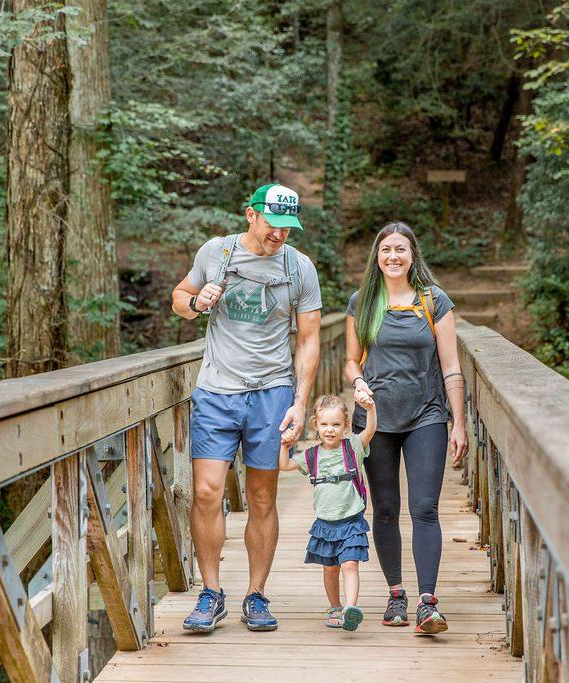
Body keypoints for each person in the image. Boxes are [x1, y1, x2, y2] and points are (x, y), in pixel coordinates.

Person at [171, 183, 322, 633]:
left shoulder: (299, 268)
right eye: (273, 224)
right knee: (205, 492)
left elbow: (310, 339)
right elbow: (180, 298)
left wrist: (300, 402)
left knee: (261, 497)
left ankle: (256, 594)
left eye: (288, 227)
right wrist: (197, 303)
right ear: (250, 214)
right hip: (217, 389)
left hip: (271, 391)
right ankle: (211, 592)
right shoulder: (216, 253)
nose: (280, 234)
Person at [343, 221, 467, 635]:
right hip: (376, 419)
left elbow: (451, 367)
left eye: (400, 249)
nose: (393, 256)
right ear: (376, 257)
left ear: (413, 255)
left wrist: (459, 422)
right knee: (385, 508)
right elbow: (350, 360)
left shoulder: (435, 301)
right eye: (385, 249)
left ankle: (427, 603)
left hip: (426, 415)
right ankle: (396, 593)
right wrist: (358, 382)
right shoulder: (362, 302)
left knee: (425, 507)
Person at [278, 394, 377, 631]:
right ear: (316, 425)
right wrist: (285, 446)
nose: (330, 430)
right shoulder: (311, 455)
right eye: (324, 424)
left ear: (345, 426)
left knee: (350, 565)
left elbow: (371, 431)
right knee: (330, 569)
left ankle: (350, 608)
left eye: (336, 424)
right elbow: (285, 466)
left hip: (352, 520)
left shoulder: (352, 446)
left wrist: (371, 409)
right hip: (325, 524)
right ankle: (335, 606)